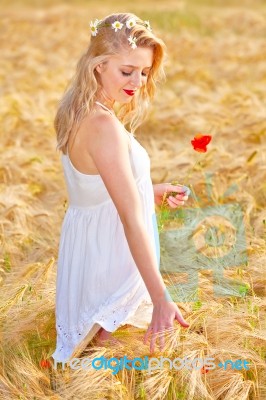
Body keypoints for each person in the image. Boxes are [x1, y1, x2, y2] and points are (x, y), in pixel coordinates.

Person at [52, 12, 190, 364]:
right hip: (111, 262)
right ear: (98, 66)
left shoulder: (78, 110)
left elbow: (93, 189)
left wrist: (150, 190)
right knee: (120, 364)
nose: (137, 82)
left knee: (104, 362)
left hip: (90, 254)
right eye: (126, 71)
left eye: (144, 72)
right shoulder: (103, 125)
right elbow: (130, 217)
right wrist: (161, 297)